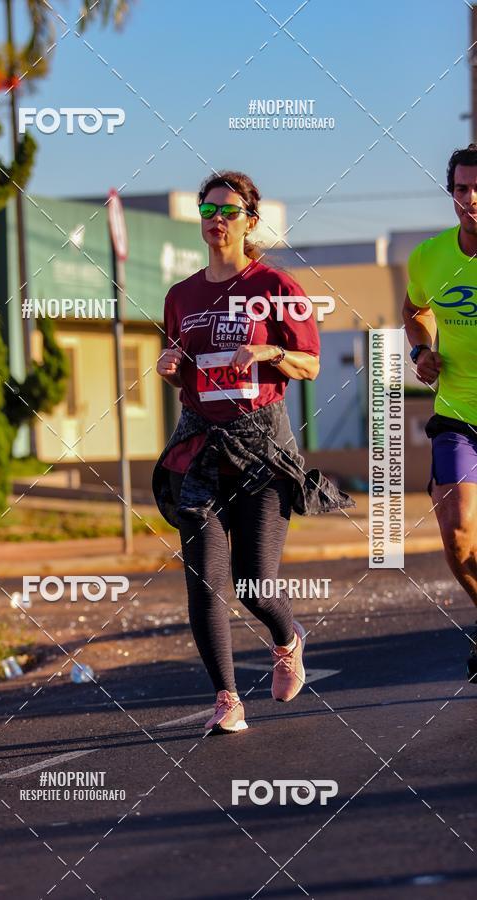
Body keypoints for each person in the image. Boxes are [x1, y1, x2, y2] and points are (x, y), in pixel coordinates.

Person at [152, 170, 355, 734]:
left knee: (254, 582)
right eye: (207, 210)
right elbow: (182, 369)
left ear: (250, 220)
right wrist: (170, 369)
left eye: (228, 211)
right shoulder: (180, 297)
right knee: (205, 580)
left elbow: (310, 364)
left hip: (262, 450)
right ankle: (226, 697)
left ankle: (288, 640)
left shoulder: (276, 288)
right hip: (199, 451)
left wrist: (267, 349)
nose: (216, 220)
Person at [403, 144, 477, 684]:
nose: (471, 199)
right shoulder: (429, 257)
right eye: (461, 189)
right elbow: (414, 310)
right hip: (457, 414)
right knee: (456, 536)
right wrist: (421, 350)